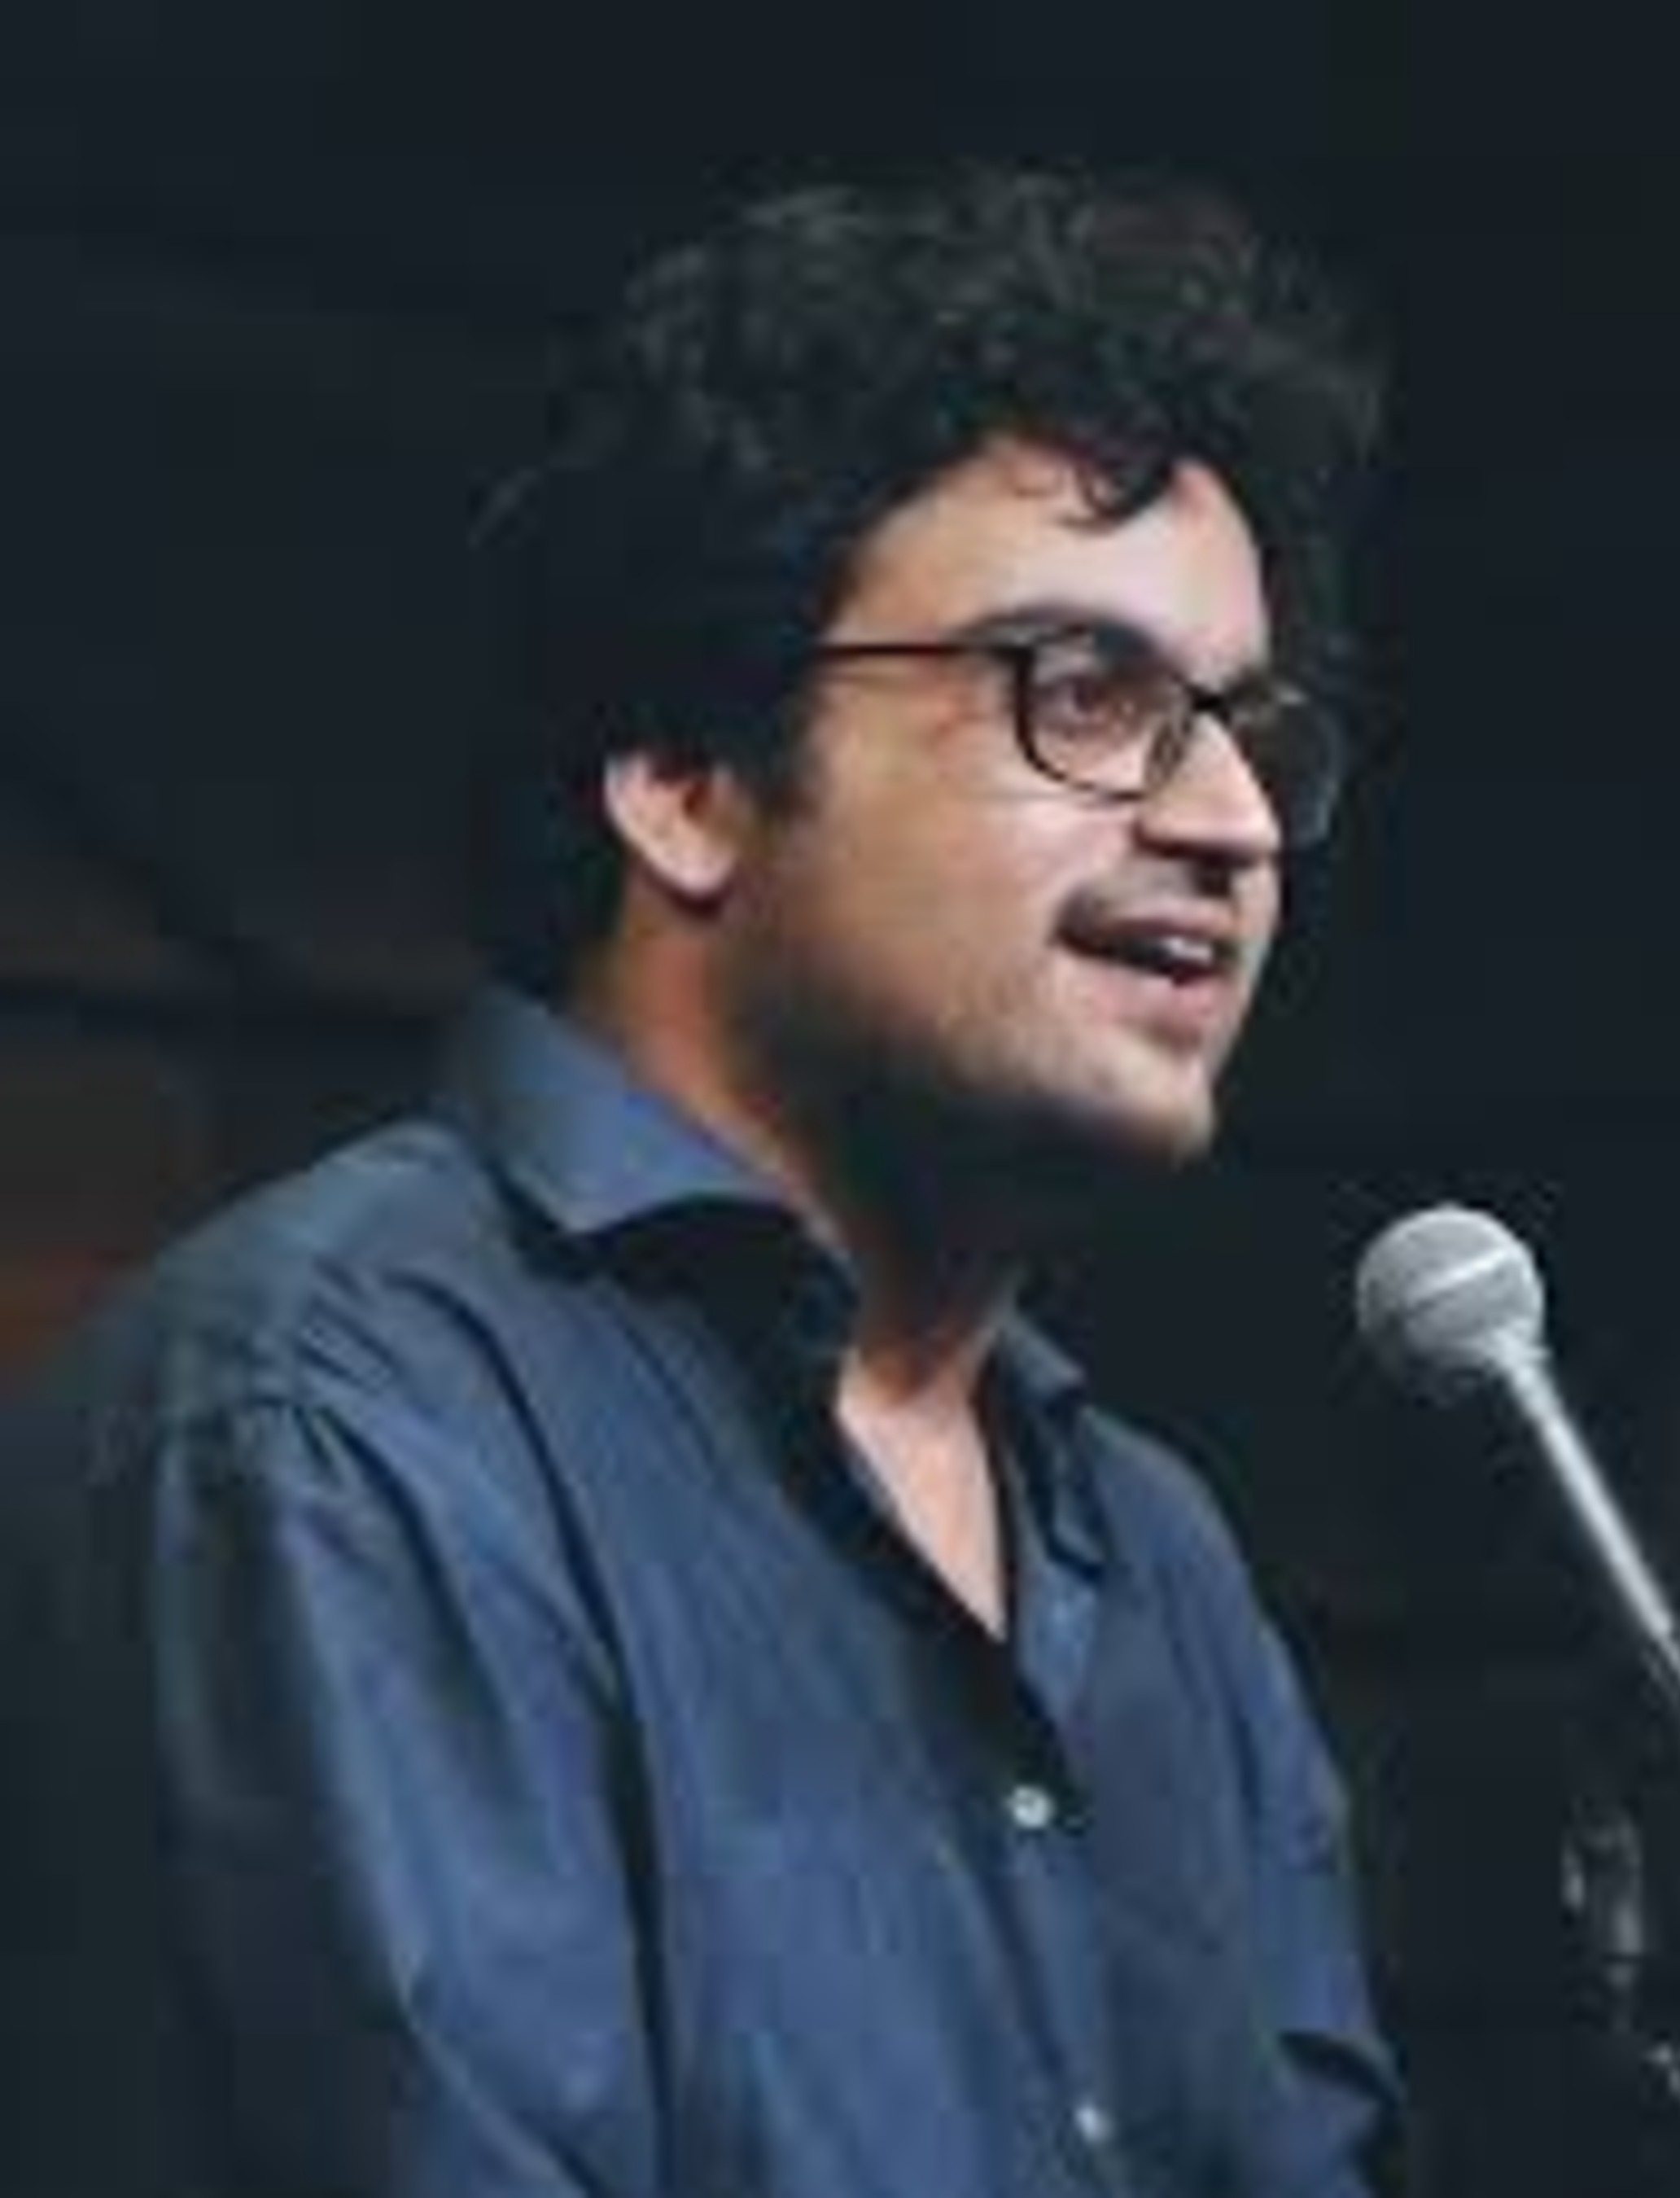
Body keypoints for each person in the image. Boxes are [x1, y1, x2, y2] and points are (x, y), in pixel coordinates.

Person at [0, 164, 1402, 2196]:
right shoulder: (334, 1434)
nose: (1234, 822)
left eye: (1251, 729)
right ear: (685, 774)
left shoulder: (1152, 1551)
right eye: (1083, 694)